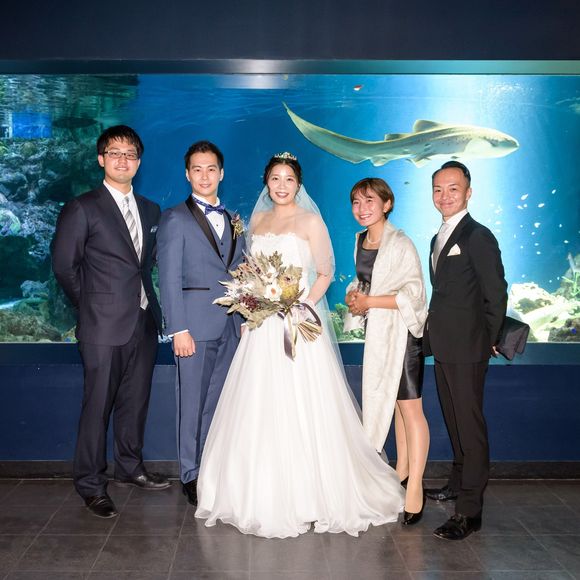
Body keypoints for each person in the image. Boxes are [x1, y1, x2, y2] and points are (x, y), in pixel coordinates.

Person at [195, 153, 404, 538]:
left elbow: (325, 271)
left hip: (298, 325)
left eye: (288, 179)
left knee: (304, 402)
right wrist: (256, 302)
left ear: (298, 184)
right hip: (262, 328)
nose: (281, 185)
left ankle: (314, 494)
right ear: (266, 182)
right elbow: (251, 271)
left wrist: (299, 305)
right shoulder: (258, 221)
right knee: (260, 403)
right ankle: (257, 490)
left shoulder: (310, 221)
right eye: (275, 178)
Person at [51, 125, 170, 519]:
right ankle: (90, 483)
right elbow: (64, 266)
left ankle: (130, 467)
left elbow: (145, 265)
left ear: (139, 161)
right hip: (101, 325)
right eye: (115, 153)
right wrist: (90, 307)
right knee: (97, 406)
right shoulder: (82, 207)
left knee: (135, 402)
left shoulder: (151, 210)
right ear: (101, 159)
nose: (123, 160)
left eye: (130, 154)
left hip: (143, 322)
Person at [157, 141, 245, 506]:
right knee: (191, 403)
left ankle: (211, 466)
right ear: (187, 174)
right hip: (193, 328)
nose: (204, 176)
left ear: (221, 173)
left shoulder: (235, 219)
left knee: (219, 402)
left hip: (232, 327)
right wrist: (178, 329)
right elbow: (168, 277)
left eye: (211, 169)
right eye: (197, 169)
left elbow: (240, 271)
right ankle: (190, 474)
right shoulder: (175, 218)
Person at [423, 160, 507, 540]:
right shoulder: (437, 237)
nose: (445, 195)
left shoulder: (478, 236)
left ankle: (470, 511)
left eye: (453, 188)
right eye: (438, 189)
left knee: (470, 428)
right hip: (444, 345)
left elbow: (496, 293)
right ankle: (457, 484)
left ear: (468, 192)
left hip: (469, 347)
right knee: (455, 421)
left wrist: (487, 340)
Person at [345, 178, 429, 526]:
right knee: (393, 404)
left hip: (402, 335)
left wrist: (370, 302)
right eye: (356, 202)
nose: (362, 209)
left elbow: (415, 294)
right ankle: (401, 471)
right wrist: (354, 295)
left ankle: (416, 488)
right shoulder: (360, 240)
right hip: (378, 333)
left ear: (387, 204)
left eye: (370, 201)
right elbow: (365, 281)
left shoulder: (401, 243)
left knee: (410, 408)